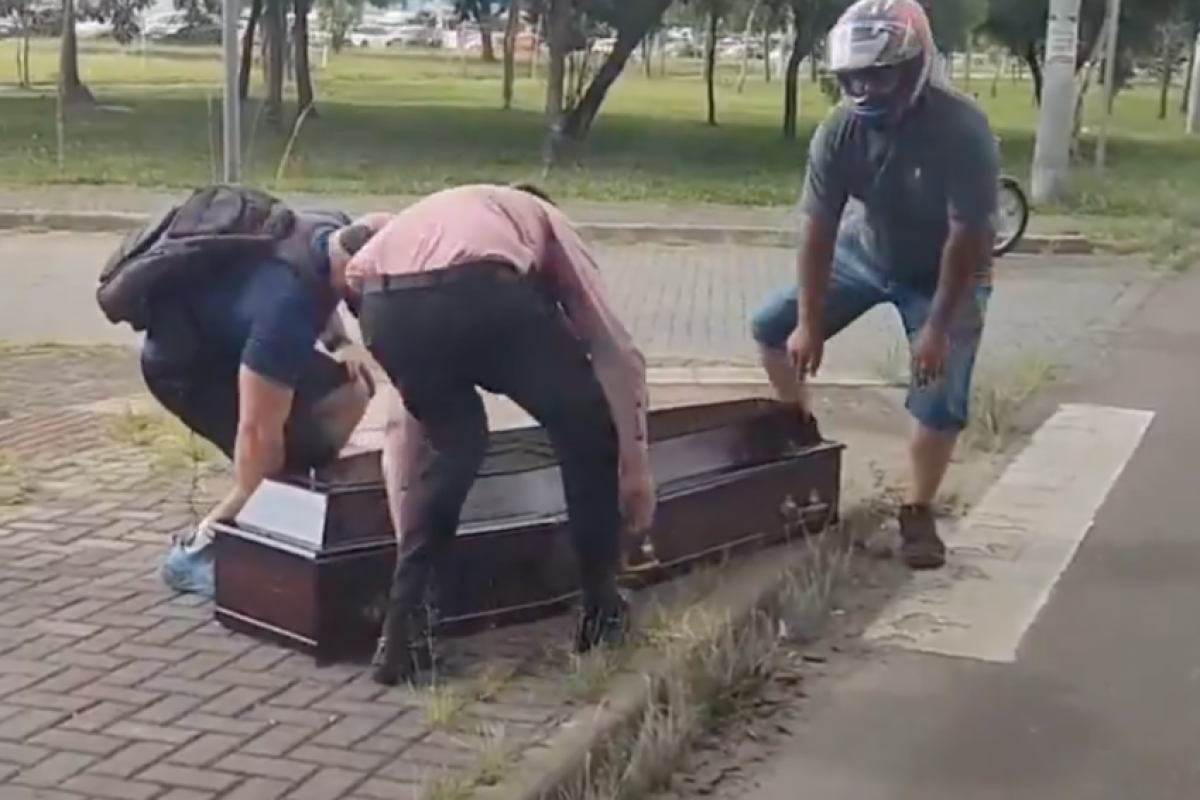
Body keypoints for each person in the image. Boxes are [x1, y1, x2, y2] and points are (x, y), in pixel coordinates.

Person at [326, 183, 654, 686]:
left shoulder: (447, 215)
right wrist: (634, 468)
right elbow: (613, 349)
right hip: (477, 291)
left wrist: (408, 528)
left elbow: (404, 425)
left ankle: (404, 637)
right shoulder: (547, 219)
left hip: (382, 304)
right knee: (585, 424)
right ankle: (602, 612)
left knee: (457, 442)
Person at [749, 0, 998, 570]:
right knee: (771, 328)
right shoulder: (838, 132)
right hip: (865, 255)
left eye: (880, 73)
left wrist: (936, 328)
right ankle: (800, 432)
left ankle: (917, 509)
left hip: (947, 271)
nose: (867, 87)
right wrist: (810, 323)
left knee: (939, 394)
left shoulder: (963, 129)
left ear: (914, 67)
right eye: (854, 76)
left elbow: (967, 239)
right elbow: (818, 231)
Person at [97, 185, 377, 597]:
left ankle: (292, 512)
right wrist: (257, 484)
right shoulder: (283, 313)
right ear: (350, 271)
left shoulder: (333, 229)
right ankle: (195, 552)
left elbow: (322, 284)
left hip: (231, 340)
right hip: (187, 370)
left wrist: (339, 342)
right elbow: (256, 429)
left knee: (352, 392)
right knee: (269, 462)